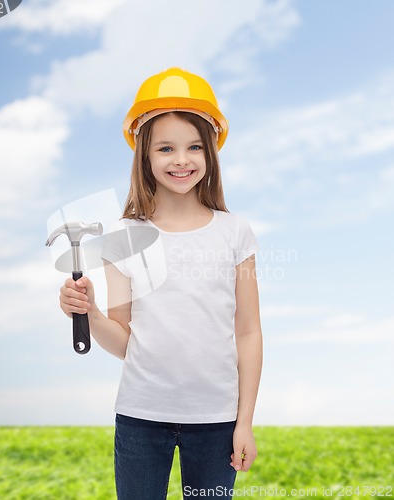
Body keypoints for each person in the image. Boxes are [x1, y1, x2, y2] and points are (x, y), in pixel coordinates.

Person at [59, 67, 263, 500]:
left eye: (193, 147)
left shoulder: (235, 232)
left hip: (217, 419)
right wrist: (90, 312)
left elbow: (248, 331)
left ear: (210, 153)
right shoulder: (123, 237)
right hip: (140, 417)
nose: (181, 159)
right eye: (166, 148)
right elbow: (124, 342)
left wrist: (244, 421)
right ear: (144, 156)